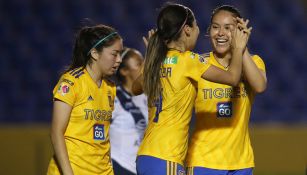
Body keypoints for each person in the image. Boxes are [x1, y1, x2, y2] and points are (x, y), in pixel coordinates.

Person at [133, 3, 251, 175]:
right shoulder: (188, 60)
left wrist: (149, 56)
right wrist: (240, 47)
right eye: (196, 26)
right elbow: (233, 78)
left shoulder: (156, 62)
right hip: (167, 157)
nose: (198, 31)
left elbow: (134, 88)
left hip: (145, 155)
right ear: (187, 30)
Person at [185, 5, 267, 175]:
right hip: (203, 161)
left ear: (238, 32)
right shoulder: (198, 64)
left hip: (241, 163)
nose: (220, 33)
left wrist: (241, 47)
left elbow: (259, 86)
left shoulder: (254, 62)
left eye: (228, 28)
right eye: (215, 27)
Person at [46, 24, 123, 175]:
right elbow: (56, 132)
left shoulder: (110, 88)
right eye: (114, 54)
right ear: (95, 53)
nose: (119, 60)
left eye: (120, 54)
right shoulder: (71, 82)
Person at [109, 48, 148, 175]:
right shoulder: (112, 97)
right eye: (139, 63)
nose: (144, 66)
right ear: (124, 71)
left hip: (140, 167)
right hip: (119, 166)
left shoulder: (148, 97)